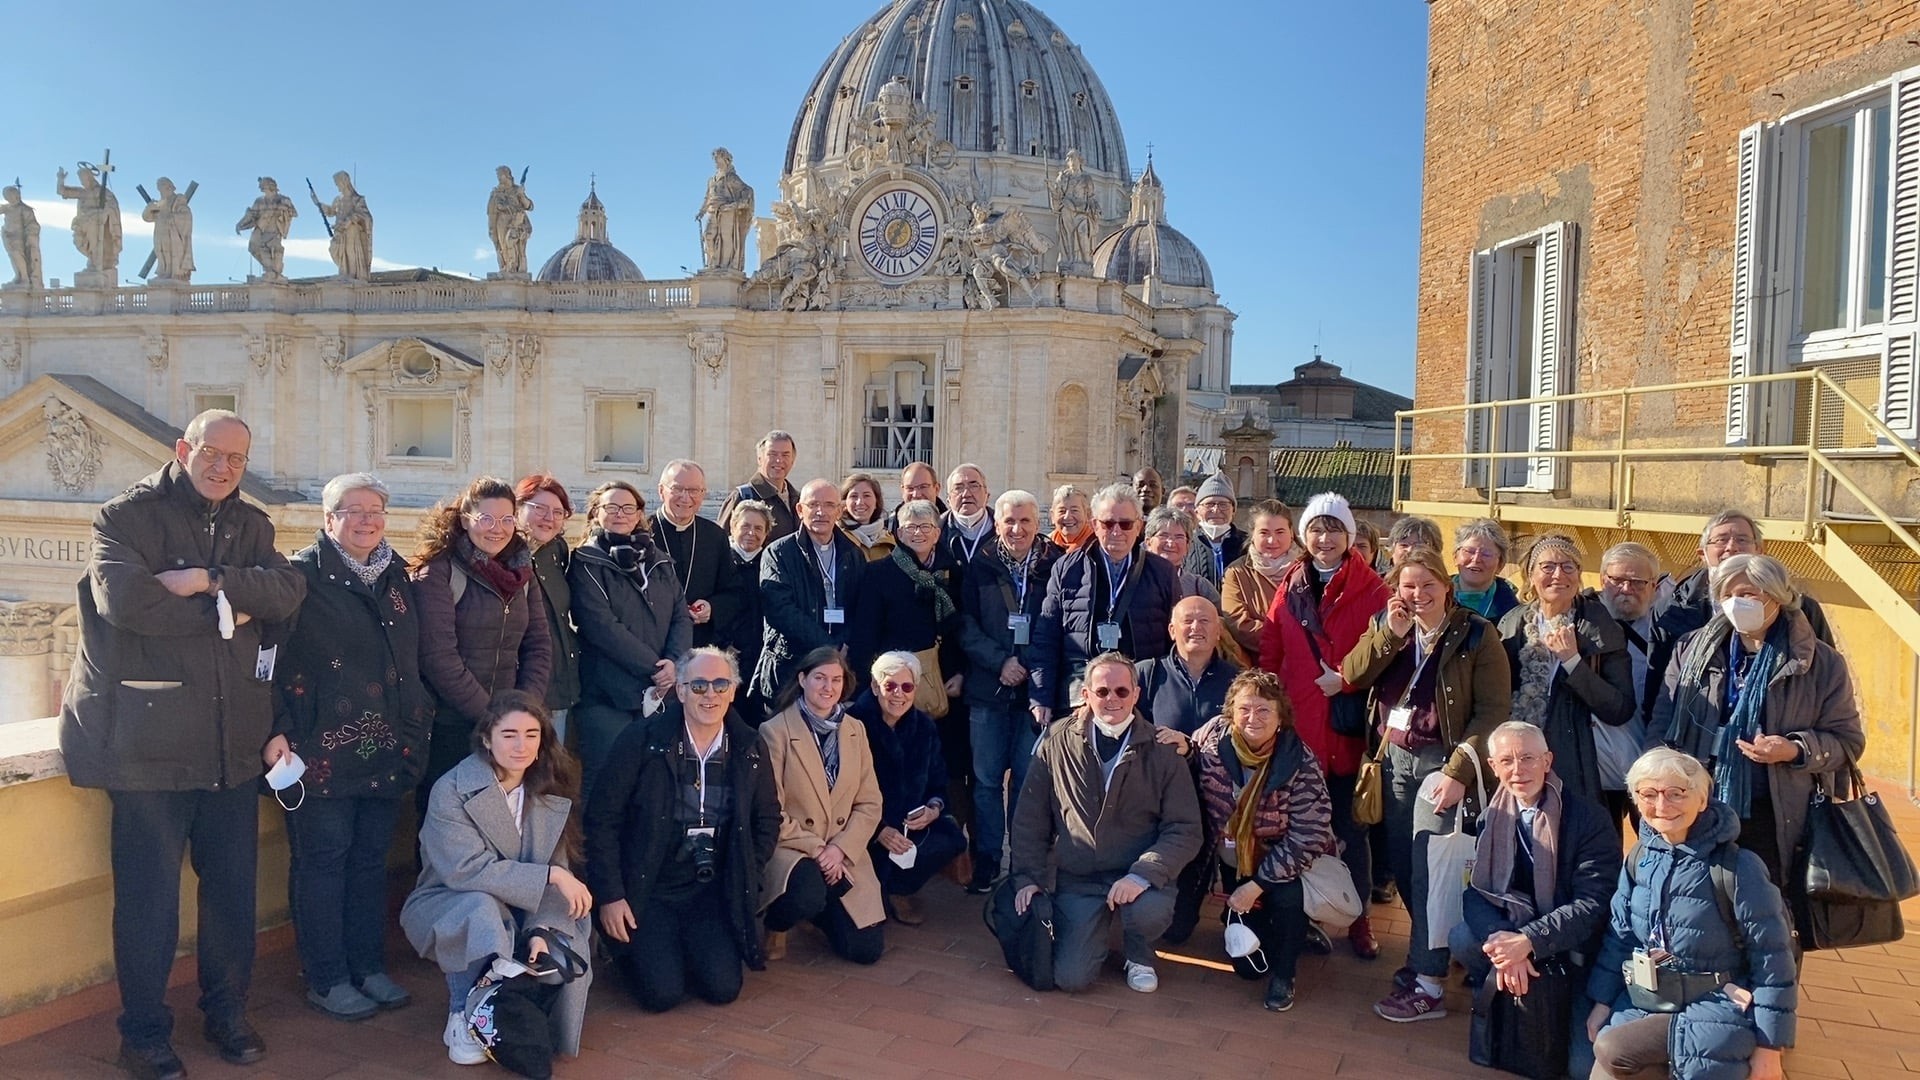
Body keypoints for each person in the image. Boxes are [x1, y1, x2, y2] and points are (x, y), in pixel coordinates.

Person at [59, 409, 304, 1079]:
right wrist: (233, 614)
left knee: (232, 895)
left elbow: (288, 591)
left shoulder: (252, 524)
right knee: (149, 902)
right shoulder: (124, 518)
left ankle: (226, 1012)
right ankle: (141, 1034)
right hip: (146, 748)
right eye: (211, 453)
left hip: (232, 744)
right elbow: (129, 607)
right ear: (183, 449)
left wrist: (211, 582)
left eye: (236, 458)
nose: (223, 467)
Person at [270, 472, 431, 1021]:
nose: (366, 519)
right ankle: (327, 976)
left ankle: (367, 966)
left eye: (376, 509)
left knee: (368, 863)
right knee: (322, 861)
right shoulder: (299, 577)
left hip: (388, 749)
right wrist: (281, 729)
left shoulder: (398, 576)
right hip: (320, 752)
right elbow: (266, 662)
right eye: (352, 510)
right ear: (328, 518)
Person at [1342, 546, 1511, 1022]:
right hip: (1394, 759)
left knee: (1431, 870)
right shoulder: (1389, 624)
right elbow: (1353, 674)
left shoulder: (1478, 635)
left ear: (1447, 586)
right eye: (1408, 586)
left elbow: (1494, 710)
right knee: (1404, 863)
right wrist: (1389, 638)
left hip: (1442, 761)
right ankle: (1429, 955)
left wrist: (1460, 770)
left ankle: (1429, 983)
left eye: (1427, 585)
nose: (1417, 595)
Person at [582, 647, 781, 1012]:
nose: (711, 694)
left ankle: (677, 949)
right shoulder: (641, 740)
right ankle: (627, 952)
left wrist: (745, 868)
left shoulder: (749, 745)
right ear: (681, 690)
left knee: (722, 989)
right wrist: (610, 896)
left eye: (721, 684)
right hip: (649, 885)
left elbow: (768, 819)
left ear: (734, 690)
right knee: (662, 995)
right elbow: (602, 820)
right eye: (699, 685)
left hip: (709, 889)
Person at [400, 692, 594, 1067]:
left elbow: (557, 874)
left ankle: (520, 1006)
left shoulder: (547, 788)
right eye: (509, 734)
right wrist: (551, 875)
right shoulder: (451, 789)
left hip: (523, 904)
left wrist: (542, 928)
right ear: (487, 739)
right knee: (481, 908)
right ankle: (463, 1014)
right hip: (447, 900)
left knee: (561, 924)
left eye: (531, 734)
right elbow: (466, 869)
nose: (521, 745)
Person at [1647, 554, 1863, 888]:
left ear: (1777, 598)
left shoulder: (1819, 663)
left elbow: (1847, 742)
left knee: (1765, 910)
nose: (1736, 604)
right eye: (1727, 596)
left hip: (1773, 811)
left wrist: (1794, 749)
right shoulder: (1691, 649)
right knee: (1697, 904)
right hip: (1696, 805)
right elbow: (1662, 722)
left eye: (1748, 595)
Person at [1586, 748, 1798, 1080]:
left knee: (1627, 1050)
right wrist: (1601, 1001)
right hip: (1651, 995)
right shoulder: (1640, 857)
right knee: (1601, 1062)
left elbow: (1772, 961)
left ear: (1702, 800)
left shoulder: (1738, 868)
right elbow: (1621, 934)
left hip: (1718, 1002)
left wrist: (1770, 1049)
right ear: (1636, 801)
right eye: (1649, 794)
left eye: (1676, 793)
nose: (1661, 806)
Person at [1009, 653, 1203, 993]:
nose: (1111, 699)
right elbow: (1030, 818)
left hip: (1139, 877)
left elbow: (1185, 828)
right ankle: (1106, 930)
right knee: (1071, 979)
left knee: (1147, 913)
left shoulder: (1163, 750)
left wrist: (1143, 873)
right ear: (1085, 695)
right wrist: (1028, 877)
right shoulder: (1056, 741)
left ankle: (1138, 952)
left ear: (1136, 695)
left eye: (1121, 691)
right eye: (1102, 692)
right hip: (1079, 879)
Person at [1259, 492, 1390, 960]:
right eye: (1316, 528)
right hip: (1298, 721)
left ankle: (1359, 920)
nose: (1324, 537)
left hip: (1344, 728)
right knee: (1297, 826)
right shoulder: (1291, 584)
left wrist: (1348, 681)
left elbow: (1385, 652)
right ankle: (1308, 916)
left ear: (1349, 535)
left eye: (1334, 528)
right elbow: (1272, 645)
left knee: (1350, 830)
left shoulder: (1373, 589)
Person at [1451, 722, 1622, 1080]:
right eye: (1507, 760)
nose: (1518, 770)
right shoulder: (1491, 817)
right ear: (1492, 767)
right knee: (1462, 938)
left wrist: (1528, 942)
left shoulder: (1589, 819)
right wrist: (1504, 945)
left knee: (1579, 1069)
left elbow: (1593, 904)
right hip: (1517, 940)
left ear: (1547, 761)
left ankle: (1539, 995)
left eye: (1528, 758)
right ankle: (1513, 993)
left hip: (1574, 954)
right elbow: (1476, 894)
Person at [1191, 670, 1338, 1012]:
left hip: (1283, 864)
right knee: (1247, 968)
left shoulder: (1299, 760)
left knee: (1286, 901)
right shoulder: (1212, 738)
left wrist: (1256, 885)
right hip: (1231, 860)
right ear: (1231, 712)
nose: (1252, 718)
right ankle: (1294, 933)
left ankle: (1286, 974)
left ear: (1280, 716)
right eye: (1244, 709)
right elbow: (1187, 759)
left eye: (1263, 710)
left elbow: (1310, 834)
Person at [413, 477, 553, 806]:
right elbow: (438, 656)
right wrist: (492, 717)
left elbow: (539, 645)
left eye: (507, 520)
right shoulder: (438, 570)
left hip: (505, 726)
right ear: (465, 520)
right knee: (446, 819)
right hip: (448, 722)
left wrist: (520, 713)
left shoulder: (522, 572)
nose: (497, 529)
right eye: (486, 519)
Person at [759, 648, 887, 964]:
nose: (828, 687)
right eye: (819, 678)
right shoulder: (775, 731)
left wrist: (839, 850)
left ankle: (817, 915)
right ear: (802, 679)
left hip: (842, 851)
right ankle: (778, 923)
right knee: (806, 892)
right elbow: (770, 809)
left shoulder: (855, 729)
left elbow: (870, 802)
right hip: (794, 848)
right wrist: (818, 850)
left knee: (865, 951)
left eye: (836, 679)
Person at [958, 489, 1058, 892]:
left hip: (1033, 694)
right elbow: (964, 624)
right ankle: (987, 861)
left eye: (1025, 521)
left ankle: (1022, 865)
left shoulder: (1054, 566)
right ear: (996, 523)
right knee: (985, 782)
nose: (1017, 529)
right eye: (1009, 522)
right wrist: (1000, 661)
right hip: (988, 689)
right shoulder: (978, 566)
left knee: (1025, 783)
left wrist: (1030, 667)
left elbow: (1057, 625)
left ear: (1038, 524)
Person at [1497, 532, 1638, 811]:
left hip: (1577, 764)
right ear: (1531, 576)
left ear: (1578, 576)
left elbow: (1619, 708)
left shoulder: (1599, 625)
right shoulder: (1511, 624)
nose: (1558, 575)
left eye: (1568, 567)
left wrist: (1572, 661)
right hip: (1520, 764)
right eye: (1547, 567)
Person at [568, 481, 693, 795]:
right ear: (597, 514)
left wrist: (676, 664)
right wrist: (655, 666)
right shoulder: (586, 562)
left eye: (628, 508)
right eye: (611, 507)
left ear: (640, 514)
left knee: (653, 785)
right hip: (608, 696)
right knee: (606, 784)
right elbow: (601, 626)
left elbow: (680, 615)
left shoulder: (660, 562)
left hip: (660, 693)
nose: (619, 514)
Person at [1134, 596, 1241, 943]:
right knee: (1175, 933)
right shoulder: (1146, 675)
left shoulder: (1238, 682)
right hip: (1164, 806)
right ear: (1171, 630)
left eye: (1205, 621)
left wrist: (1193, 746)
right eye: (1188, 621)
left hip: (1224, 805)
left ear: (1219, 630)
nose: (1196, 628)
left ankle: (1236, 906)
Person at [1029, 483, 1181, 726]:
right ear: (1094, 524)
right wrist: (1041, 697)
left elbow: (1174, 642)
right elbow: (1046, 637)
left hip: (1140, 697)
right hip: (1080, 695)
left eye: (1126, 524)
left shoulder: (1162, 572)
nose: (1117, 531)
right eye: (1108, 523)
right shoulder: (1066, 568)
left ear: (1139, 526)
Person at [848, 652, 969, 924]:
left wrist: (933, 809)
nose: (898, 694)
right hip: (861, 829)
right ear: (875, 686)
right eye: (890, 686)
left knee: (950, 838)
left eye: (907, 687)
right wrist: (878, 830)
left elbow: (938, 781)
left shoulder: (924, 726)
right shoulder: (852, 725)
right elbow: (840, 796)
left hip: (909, 826)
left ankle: (900, 889)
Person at [1658, 513, 1834, 682]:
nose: (1732, 547)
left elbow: (1825, 674)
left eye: (1742, 539)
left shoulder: (1801, 609)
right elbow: (1661, 682)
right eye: (1721, 540)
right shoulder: (1672, 609)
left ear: (1760, 550)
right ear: (1702, 554)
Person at [752, 479, 867, 708]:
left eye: (828, 505)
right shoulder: (778, 553)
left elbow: (861, 606)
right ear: (799, 509)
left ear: (839, 511)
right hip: (791, 667)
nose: (820, 512)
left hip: (839, 669)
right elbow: (780, 609)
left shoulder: (853, 553)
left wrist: (844, 643)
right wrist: (828, 647)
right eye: (813, 504)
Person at [847, 499, 965, 687]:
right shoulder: (878, 573)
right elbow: (865, 633)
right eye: (910, 527)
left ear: (937, 534)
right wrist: (862, 683)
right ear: (899, 534)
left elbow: (959, 629)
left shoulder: (951, 572)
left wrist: (959, 673)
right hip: (893, 682)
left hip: (942, 681)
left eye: (926, 527)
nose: (918, 533)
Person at [651, 459, 742, 649]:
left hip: (700, 643)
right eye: (677, 489)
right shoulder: (641, 533)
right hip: (653, 643)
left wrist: (712, 608)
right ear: (661, 491)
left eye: (693, 491)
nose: (685, 498)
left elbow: (733, 591)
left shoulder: (714, 535)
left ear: (703, 494)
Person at [517, 474, 580, 742]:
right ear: (518, 508)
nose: (549, 518)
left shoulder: (556, 550)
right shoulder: (503, 554)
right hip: (521, 682)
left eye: (558, 512)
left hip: (560, 680)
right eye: (539, 508)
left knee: (552, 771)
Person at [1220, 498, 1297, 658]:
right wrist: (1291, 637)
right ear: (1252, 535)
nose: (1272, 540)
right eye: (1264, 533)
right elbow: (1238, 623)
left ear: (1291, 533)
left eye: (1280, 532)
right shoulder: (1236, 573)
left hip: (1305, 662)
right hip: (1257, 665)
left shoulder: (1307, 568)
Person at [722, 501, 775, 722]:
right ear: (733, 526)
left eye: (758, 528)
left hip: (760, 660)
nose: (751, 533)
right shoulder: (720, 560)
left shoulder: (771, 564)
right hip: (725, 656)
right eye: (745, 526)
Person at [718, 431, 801, 543]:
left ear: (792, 461)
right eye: (772, 454)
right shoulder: (742, 496)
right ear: (759, 459)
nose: (779, 460)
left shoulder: (799, 499)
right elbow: (719, 542)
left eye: (785, 455)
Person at [1143, 506, 1223, 608]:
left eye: (1179, 537)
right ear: (1148, 542)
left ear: (1188, 545)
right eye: (1163, 535)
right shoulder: (1132, 580)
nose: (1171, 543)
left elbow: (1219, 621)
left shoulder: (1199, 587)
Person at [697, 148, 755, 272]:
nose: (716, 162)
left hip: (727, 211)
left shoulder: (731, 177)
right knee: (708, 235)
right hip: (712, 210)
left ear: (725, 159)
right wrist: (702, 212)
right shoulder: (712, 180)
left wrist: (735, 205)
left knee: (726, 237)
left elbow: (747, 190)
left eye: (717, 159)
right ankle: (712, 262)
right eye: (715, 159)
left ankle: (726, 266)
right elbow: (707, 197)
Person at [1452, 518, 1520, 622]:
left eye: (1486, 554)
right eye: (1469, 551)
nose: (1476, 559)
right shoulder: (1433, 594)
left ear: (1500, 564)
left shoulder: (1513, 611)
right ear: (1455, 557)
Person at [1185, 472, 1245, 587]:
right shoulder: (1185, 543)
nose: (1216, 510)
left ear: (1233, 511)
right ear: (1197, 511)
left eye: (1223, 504)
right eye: (1209, 504)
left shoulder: (1248, 544)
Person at [234, 177, 297, 283]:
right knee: (253, 247)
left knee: (274, 250)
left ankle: (274, 273)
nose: (262, 189)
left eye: (264, 186)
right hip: (260, 228)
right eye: (262, 187)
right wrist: (240, 224)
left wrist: (283, 210)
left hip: (275, 229)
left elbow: (293, 212)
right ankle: (270, 270)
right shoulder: (259, 201)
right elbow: (251, 214)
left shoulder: (283, 199)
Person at [321, 171, 373, 282]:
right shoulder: (338, 199)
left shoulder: (357, 199)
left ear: (344, 182)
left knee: (350, 251)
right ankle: (344, 272)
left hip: (351, 230)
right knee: (334, 248)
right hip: (339, 231)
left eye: (337, 183)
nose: (337, 186)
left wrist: (350, 220)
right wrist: (320, 205)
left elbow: (365, 215)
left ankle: (351, 274)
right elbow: (331, 211)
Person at [141, 177, 194, 283]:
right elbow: (147, 217)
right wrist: (149, 209)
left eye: (162, 187)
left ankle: (173, 274)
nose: (161, 190)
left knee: (172, 253)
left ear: (169, 187)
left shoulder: (178, 201)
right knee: (161, 252)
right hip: (160, 232)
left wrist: (173, 217)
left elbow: (187, 215)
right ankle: (163, 273)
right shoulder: (159, 203)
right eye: (159, 188)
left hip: (173, 233)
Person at [942, 464, 995, 565]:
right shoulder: (936, 532)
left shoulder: (1004, 531)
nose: (966, 494)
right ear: (948, 499)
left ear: (987, 495)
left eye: (974, 486)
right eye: (958, 488)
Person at [487, 165, 535, 276]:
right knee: (503, 246)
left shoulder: (516, 190)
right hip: (501, 223)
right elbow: (491, 213)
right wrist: (491, 228)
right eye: (498, 176)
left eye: (500, 175)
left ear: (507, 175)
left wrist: (522, 195)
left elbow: (529, 206)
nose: (499, 178)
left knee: (512, 243)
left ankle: (515, 268)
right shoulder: (496, 193)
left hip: (517, 222)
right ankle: (506, 267)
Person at [839, 472, 896, 561]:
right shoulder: (836, 536)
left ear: (877, 502)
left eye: (866, 496)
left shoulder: (889, 540)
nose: (860, 502)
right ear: (844, 503)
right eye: (854, 496)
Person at [1, 184, 43, 289]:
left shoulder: (24, 209)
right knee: (13, 256)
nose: (8, 198)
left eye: (10, 195)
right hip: (8, 236)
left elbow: (33, 224)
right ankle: (18, 275)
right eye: (6, 196)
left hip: (18, 237)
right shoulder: (7, 208)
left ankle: (24, 277)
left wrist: (30, 235)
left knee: (18, 255)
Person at [1049, 483, 1092, 550]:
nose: (1067, 517)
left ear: (1087, 514)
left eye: (1074, 510)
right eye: (1062, 511)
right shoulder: (1044, 548)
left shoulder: (1097, 547)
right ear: (1052, 516)